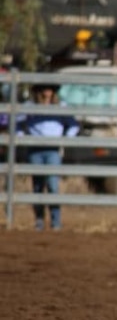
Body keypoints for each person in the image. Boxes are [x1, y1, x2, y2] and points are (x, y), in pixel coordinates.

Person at [19, 83, 80, 231]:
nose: (47, 91)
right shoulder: (30, 105)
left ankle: (56, 222)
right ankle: (39, 221)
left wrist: (65, 139)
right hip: (35, 148)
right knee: (38, 186)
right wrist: (21, 137)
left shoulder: (61, 106)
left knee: (53, 185)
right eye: (44, 88)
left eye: (50, 88)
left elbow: (73, 125)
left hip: (53, 149)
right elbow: (18, 122)